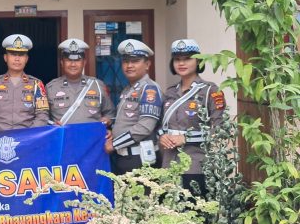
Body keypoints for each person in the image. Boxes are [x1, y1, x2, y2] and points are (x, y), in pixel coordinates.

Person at [159, 39, 225, 195]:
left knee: (195, 213)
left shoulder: (210, 91)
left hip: (196, 165)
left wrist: (186, 138)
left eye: (187, 58)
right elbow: (161, 126)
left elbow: (220, 129)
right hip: (169, 164)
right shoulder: (170, 92)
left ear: (198, 61)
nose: (181, 63)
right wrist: (162, 137)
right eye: (177, 59)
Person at [106, 39, 162, 174]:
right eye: (125, 61)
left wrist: (114, 144)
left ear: (147, 64)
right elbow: (126, 122)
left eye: (135, 61)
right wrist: (112, 133)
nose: (129, 65)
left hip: (140, 160)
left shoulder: (150, 89)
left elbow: (144, 127)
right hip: (124, 157)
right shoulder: (128, 89)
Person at [0, 34, 49, 131]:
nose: (17, 59)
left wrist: (29, 136)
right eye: (13, 54)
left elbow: (42, 116)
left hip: (28, 140)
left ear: (26, 59)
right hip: (0, 141)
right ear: (5, 57)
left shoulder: (36, 84)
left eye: (21, 55)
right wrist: (0, 137)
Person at [46, 38, 116, 125]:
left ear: (84, 63)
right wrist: (52, 125)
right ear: (62, 63)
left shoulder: (97, 85)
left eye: (77, 60)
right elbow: (43, 117)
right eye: (68, 60)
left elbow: (110, 113)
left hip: (91, 137)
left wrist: (108, 121)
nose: (73, 64)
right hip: (64, 138)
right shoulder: (51, 88)